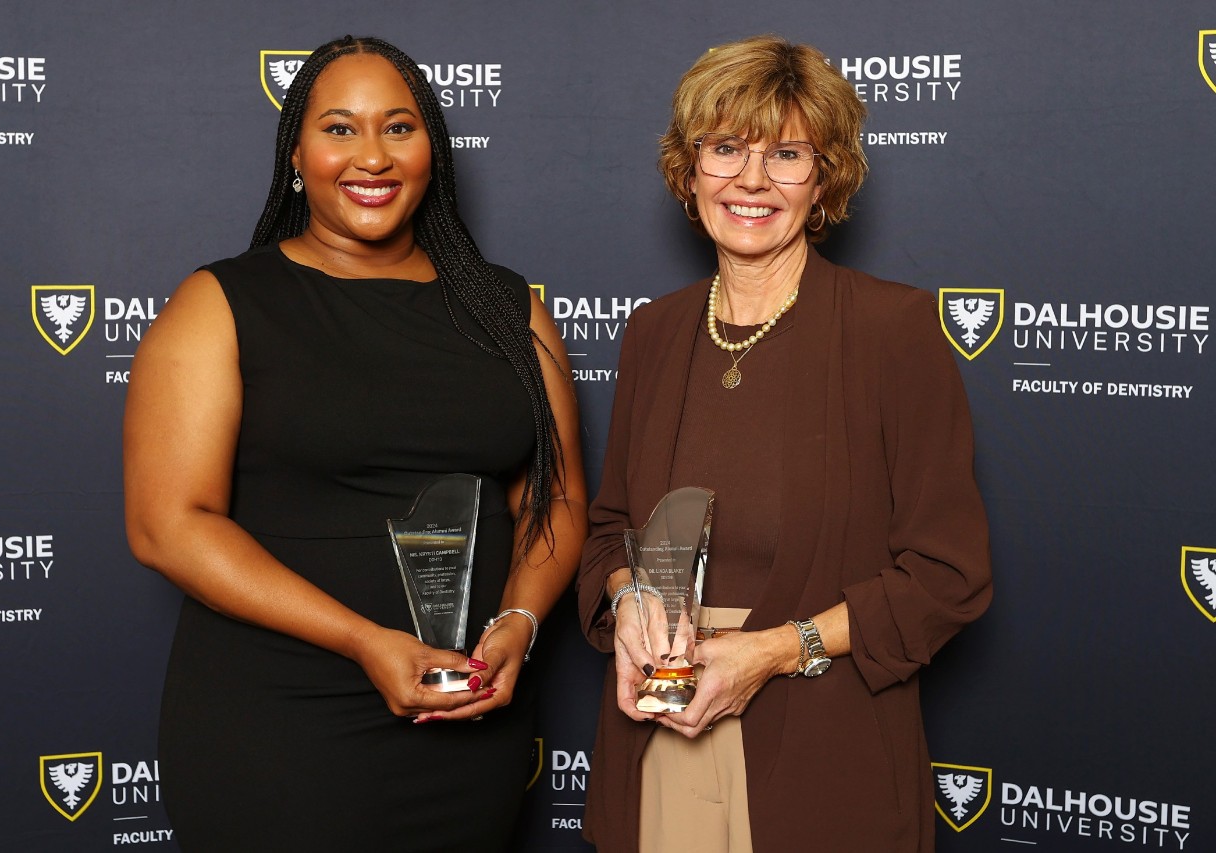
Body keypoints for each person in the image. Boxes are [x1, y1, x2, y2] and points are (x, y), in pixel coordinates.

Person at [123, 35, 586, 852]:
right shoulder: (222, 302)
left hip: (465, 723)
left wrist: (519, 620)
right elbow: (168, 523)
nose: (371, 155)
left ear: (432, 153)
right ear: (296, 153)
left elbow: (555, 497)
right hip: (277, 725)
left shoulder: (507, 307)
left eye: (398, 128)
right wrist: (362, 641)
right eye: (340, 129)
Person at [576, 35, 991, 852]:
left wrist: (770, 653)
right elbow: (608, 529)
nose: (753, 180)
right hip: (659, 740)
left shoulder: (891, 330)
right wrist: (627, 600)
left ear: (826, 177)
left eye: (787, 154)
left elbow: (947, 576)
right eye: (726, 148)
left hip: (824, 751)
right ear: (689, 170)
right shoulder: (654, 332)